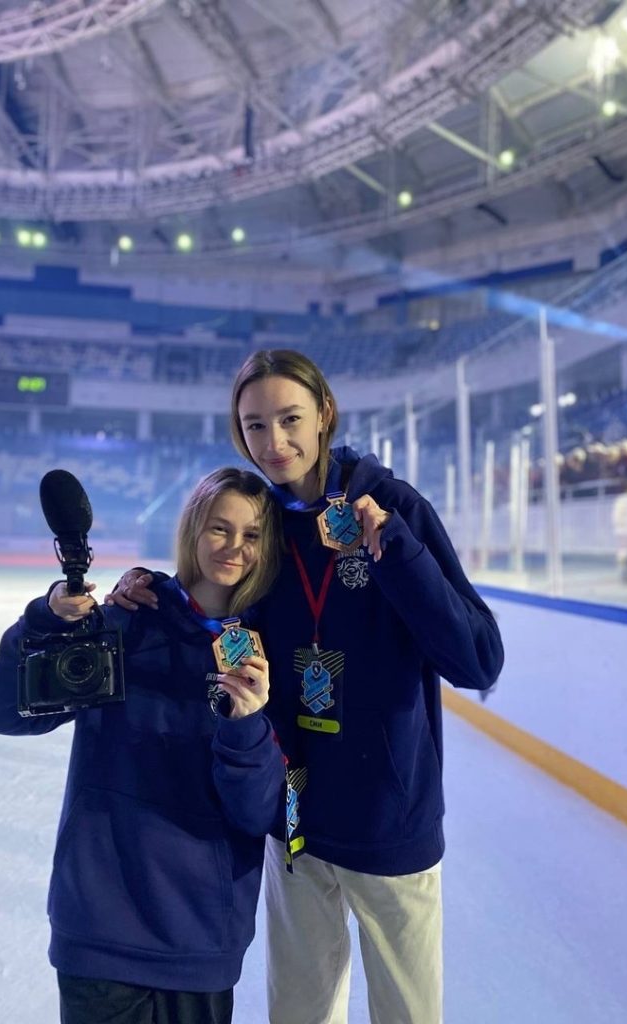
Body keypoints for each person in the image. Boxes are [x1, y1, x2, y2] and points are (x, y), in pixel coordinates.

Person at [111, 349, 505, 1024]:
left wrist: (397, 553)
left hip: (388, 824)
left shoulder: (394, 508)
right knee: (297, 1014)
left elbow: (478, 661)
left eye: (290, 418)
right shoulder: (262, 520)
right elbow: (214, 604)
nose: (275, 441)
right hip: (294, 822)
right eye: (255, 425)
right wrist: (149, 589)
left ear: (324, 413)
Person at [0, 467, 286, 1024]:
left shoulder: (267, 653)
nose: (234, 547)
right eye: (220, 528)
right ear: (193, 529)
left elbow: (259, 814)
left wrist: (246, 725)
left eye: (252, 535)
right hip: (100, 925)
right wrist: (47, 620)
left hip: (200, 937)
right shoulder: (127, 621)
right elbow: (8, 714)